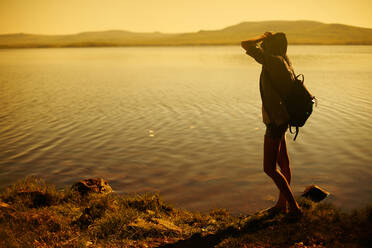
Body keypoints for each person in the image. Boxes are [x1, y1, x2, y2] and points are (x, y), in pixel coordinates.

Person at [241, 32, 302, 218]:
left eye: (267, 44)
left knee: (269, 168)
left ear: (271, 46)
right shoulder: (284, 60)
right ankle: (282, 204)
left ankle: (294, 208)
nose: (264, 46)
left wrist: (260, 37)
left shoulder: (273, 62)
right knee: (283, 163)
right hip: (282, 118)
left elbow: (245, 43)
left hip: (275, 121)